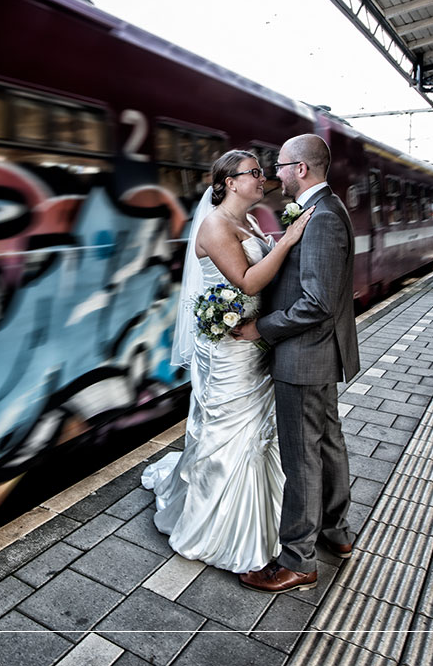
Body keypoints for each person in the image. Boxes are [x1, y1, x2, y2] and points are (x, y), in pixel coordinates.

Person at [142, 149, 313, 573]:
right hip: (230, 349)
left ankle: (261, 519)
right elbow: (247, 279)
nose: (263, 178)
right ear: (230, 183)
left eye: (262, 170)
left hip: (252, 344)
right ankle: (214, 529)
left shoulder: (250, 221)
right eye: (254, 172)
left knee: (257, 432)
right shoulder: (216, 225)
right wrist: (289, 239)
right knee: (231, 432)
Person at [235, 133, 360, 594]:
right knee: (328, 444)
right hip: (318, 355)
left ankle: (298, 560)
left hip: (305, 356)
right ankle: (335, 532)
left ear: (301, 169)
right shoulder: (322, 210)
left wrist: (261, 328)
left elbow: (317, 303)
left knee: (302, 457)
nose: (275, 174)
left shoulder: (323, 216)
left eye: (281, 165)